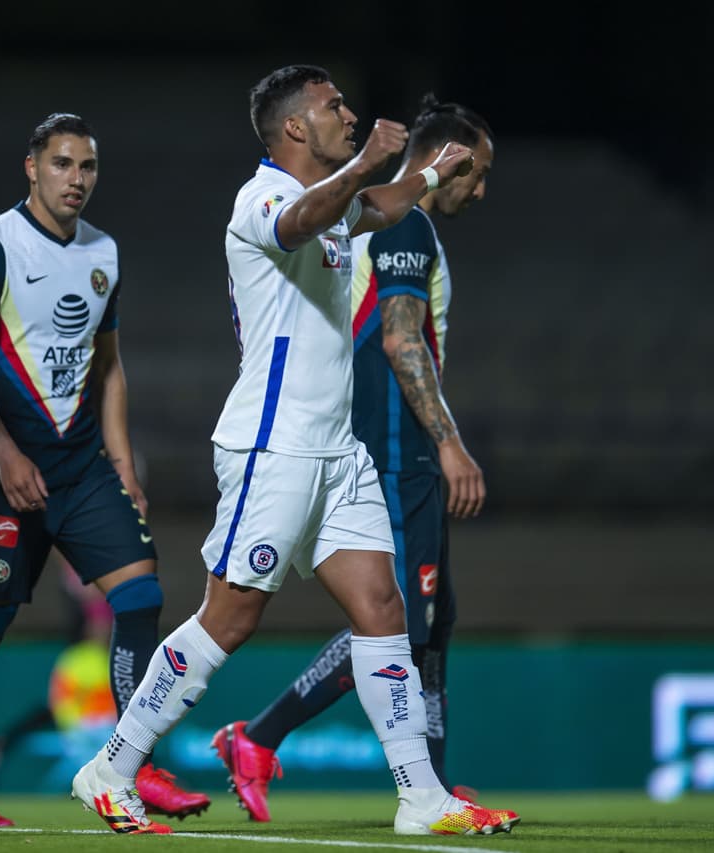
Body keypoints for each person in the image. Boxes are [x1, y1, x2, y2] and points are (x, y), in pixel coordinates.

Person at [69, 65, 518, 836]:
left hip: (337, 452)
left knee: (383, 610)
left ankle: (421, 795)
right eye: (332, 106)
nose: (348, 112)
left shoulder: (340, 207)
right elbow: (308, 217)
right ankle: (111, 765)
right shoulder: (263, 200)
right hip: (272, 446)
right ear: (295, 130)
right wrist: (370, 162)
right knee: (229, 618)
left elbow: (376, 207)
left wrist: (428, 172)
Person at [210, 94, 496, 823]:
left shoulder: (371, 215)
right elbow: (401, 339)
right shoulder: (407, 230)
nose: (481, 188)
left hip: (370, 445)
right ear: (444, 159)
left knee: (431, 619)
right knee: (393, 617)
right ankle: (260, 735)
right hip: (393, 448)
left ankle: (430, 781)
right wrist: (449, 439)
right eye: (475, 171)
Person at [0, 113, 208, 827]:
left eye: (87, 167)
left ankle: (132, 766)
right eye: (62, 164)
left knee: (142, 593)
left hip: (83, 466)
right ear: (32, 167)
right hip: (8, 470)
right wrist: (2, 452)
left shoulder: (104, 252)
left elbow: (110, 368)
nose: (77, 179)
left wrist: (122, 464)